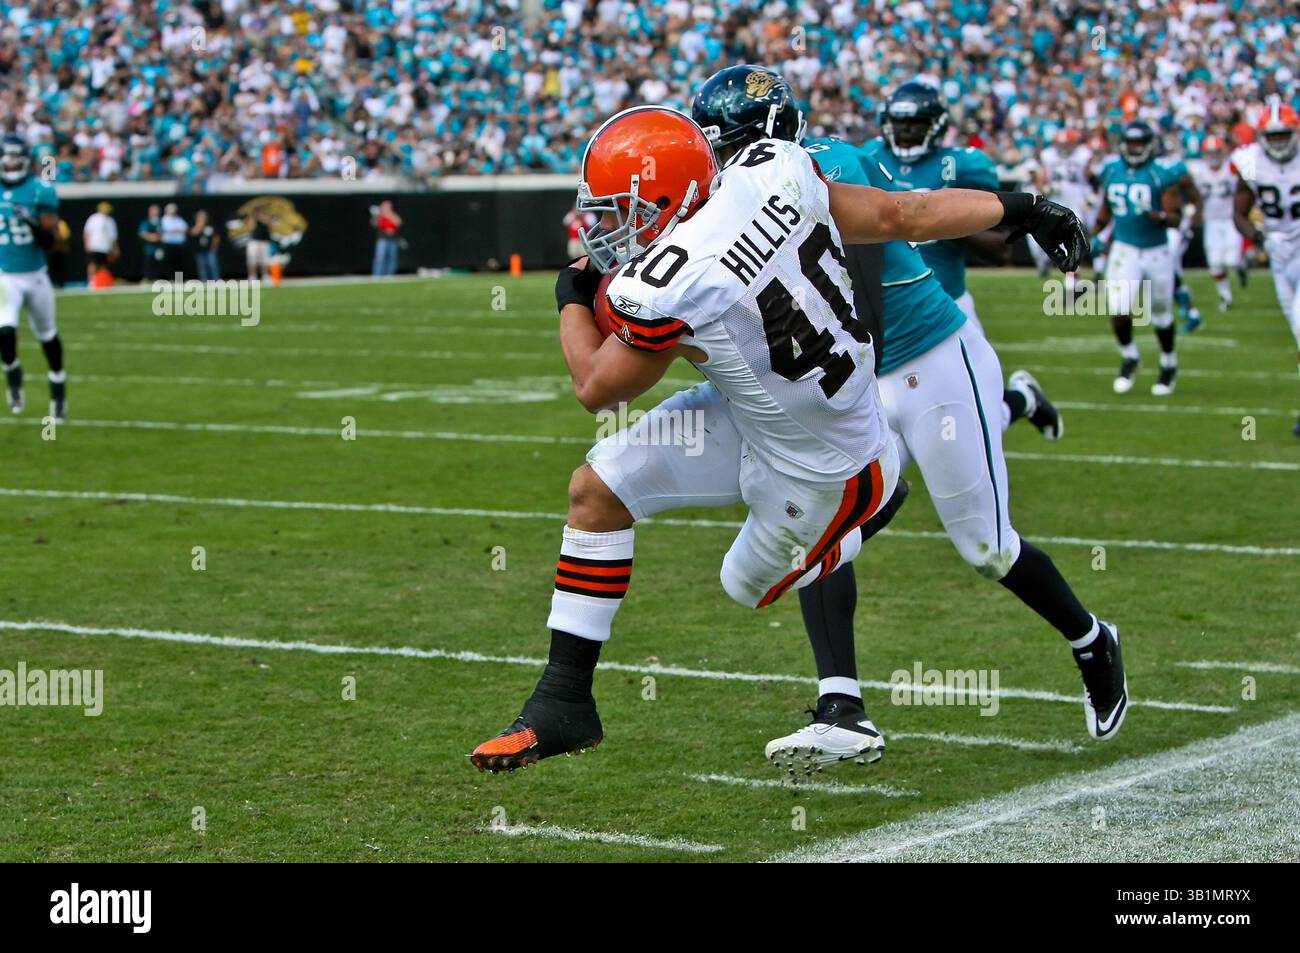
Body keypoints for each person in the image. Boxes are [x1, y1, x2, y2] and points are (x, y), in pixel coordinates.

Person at [467, 101, 1088, 772]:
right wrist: (1022, 207)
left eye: (624, 209)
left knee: (744, 585)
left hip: (818, 463)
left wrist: (569, 292)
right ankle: (565, 701)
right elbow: (898, 216)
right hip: (769, 408)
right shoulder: (772, 169)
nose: (610, 227)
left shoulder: (680, 277)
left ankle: (874, 502)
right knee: (596, 490)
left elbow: (596, 385)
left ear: (672, 200)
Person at [684, 68, 1125, 769]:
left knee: (987, 547)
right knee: (820, 516)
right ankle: (842, 707)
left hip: (924, 356)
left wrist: (1026, 208)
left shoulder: (826, 165)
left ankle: (1091, 638)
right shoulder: (724, 190)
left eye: (723, 141)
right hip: (854, 368)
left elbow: (867, 289)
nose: (714, 157)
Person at [1093, 121, 1188, 396]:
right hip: (1124, 249)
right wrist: (1092, 233)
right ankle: (1129, 356)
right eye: (1131, 144)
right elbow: (1105, 209)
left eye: (1140, 144)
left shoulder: (1161, 174)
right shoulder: (1111, 170)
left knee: (1160, 312)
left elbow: (1175, 217)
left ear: (1149, 146)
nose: (1135, 150)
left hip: (1157, 250)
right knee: (1119, 307)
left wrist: (1160, 216)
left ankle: (1169, 363)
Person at [1232, 102, 1300, 436]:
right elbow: (1239, 214)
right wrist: (1260, 238)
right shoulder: (1251, 162)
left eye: (1283, 134)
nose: (1278, 141)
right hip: (1278, 254)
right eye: (1272, 135)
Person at [0, 135, 68, 422]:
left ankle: (58, 388)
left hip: (36, 274)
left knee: (47, 335)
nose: (12, 162)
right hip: (5, 275)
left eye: (17, 157)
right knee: (4, 329)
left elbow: (53, 243)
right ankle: (13, 371)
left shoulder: (40, 191)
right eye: (8, 157)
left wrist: (31, 222)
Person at [1189, 136, 1243, 312]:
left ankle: (1242, 265)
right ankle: (1225, 296)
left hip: (1231, 220)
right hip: (1211, 221)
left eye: (1216, 152)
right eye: (1210, 152)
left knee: (1231, 260)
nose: (1213, 156)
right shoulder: (1198, 170)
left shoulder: (1233, 168)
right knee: (1214, 262)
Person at [82, 201, 118, 285]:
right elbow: (87, 232)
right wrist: (87, 244)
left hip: (105, 247)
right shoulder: (93, 218)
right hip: (94, 246)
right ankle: (91, 282)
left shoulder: (110, 221)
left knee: (103, 266)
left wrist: (115, 248)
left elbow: (113, 237)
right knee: (92, 264)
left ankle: (101, 282)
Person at [371, 200, 402, 276]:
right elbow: (374, 224)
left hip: (393, 239)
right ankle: (377, 275)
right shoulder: (379, 215)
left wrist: (389, 214)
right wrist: (376, 216)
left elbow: (398, 222)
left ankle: (390, 275)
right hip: (382, 239)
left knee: (392, 258)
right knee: (380, 258)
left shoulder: (392, 214)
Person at [159, 202, 188, 277]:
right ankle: (170, 279)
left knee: (179, 263)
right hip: (169, 245)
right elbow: (169, 229)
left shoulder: (179, 219)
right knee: (169, 263)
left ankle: (178, 280)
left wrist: (175, 230)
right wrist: (178, 230)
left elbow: (185, 228)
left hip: (179, 245)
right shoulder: (164, 219)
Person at [191, 210, 221, 281]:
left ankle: (216, 280)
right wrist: (199, 225)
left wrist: (214, 247)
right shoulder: (196, 226)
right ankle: (204, 282)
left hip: (210, 250)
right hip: (200, 250)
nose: (202, 219)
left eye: (203, 218)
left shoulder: (210, 227)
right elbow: (193, 233)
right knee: (202, 267)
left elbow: (216, 237)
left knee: (213, 265)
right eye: (200, 218)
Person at [138, 204, 163, 282]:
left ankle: (157, 278)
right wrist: (153, 237)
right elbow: (142, 233)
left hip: (160, 247)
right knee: (148, 263)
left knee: (159, 264)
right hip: (149, 247)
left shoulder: (161, 221)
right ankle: (146, 278)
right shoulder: (146, 222)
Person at [246, 208, 272, 281]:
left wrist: (260, 216)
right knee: (252, 260)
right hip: (254, 241)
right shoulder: (253, 218)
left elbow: (267, 222)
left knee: (264, 260)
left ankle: (265, 275)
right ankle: (252, 276)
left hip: (264, 241)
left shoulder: (266, 217)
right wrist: (253, 217)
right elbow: (251, 227)